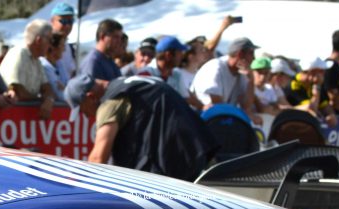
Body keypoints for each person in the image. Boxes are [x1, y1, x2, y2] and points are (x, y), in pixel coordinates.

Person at [65, 73, 217, 181]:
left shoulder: (111, 102)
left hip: (171, 165)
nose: (86, 116)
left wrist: (76, 181)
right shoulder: (130, 83)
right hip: (197, 149)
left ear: (91, 97)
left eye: (83, 110)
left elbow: (98, 158)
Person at [0, 18, 55, 119]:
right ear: (39, 40)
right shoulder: (18, 53)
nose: (51, 46)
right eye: (50, 40)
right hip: (9, 119)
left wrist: (49, 99)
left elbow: (47, 87)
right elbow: (17, 90)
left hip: (21, 121)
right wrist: (40, 100)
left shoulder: (37, 60)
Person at [192, 36, 258, 116]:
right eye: (251, 53)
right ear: (240, 54)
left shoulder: (242, 72)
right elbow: (217, 104)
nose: (254, 58)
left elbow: (246, 107)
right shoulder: (215, 68)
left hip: (220, 118)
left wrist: (251, 80)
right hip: (202, 117)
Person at [285, 57, 337, 127]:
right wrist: (317, 87)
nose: (324, 74)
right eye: (321, 71)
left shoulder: (315, 83)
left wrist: (330, 115)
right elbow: (311, 109)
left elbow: (325, 106)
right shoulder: (293, 85)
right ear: (312, 72)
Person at [78, 18, 123, 84]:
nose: (119, 41)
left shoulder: (108, 60)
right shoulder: (93, 62)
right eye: (115, 37)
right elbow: (90, 91)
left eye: (120, 38)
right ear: (102, 36)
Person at [48, 1, 76, 82]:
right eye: (63, 21)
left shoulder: (68, 46)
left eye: (70, 21)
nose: (67, 25)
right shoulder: (45, 44)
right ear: (52, 21)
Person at [41, 33, 67, 102]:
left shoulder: (60, 64)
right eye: (62, 45)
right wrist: (67, 90)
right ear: (53, 48)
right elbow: (58, 95)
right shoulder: (44, 66)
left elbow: (69, 84)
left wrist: (66, 89)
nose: (64, 49)